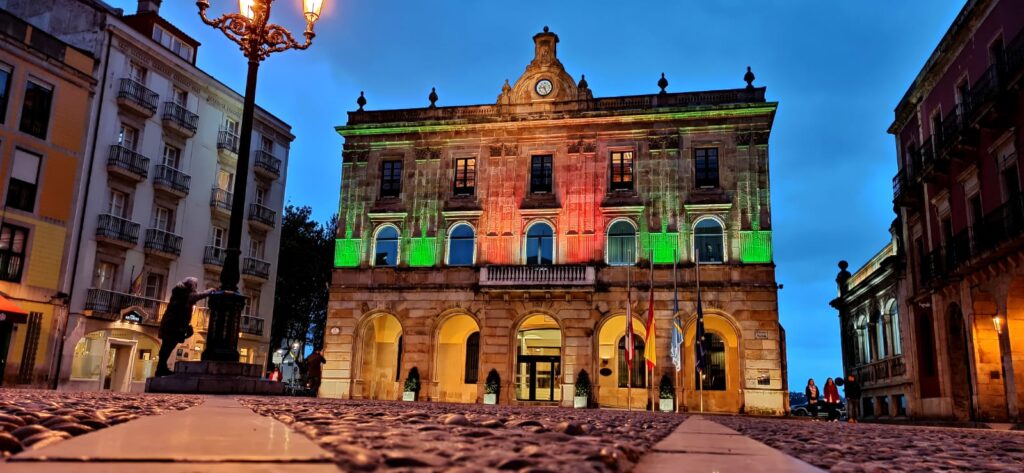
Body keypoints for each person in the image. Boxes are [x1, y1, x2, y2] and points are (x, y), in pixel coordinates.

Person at [156, 278, 213, 377]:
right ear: (191, 286)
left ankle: (161, 368)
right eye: (195, 285)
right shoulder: (184, 295)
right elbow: (197, 296)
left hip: (170, 325)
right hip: (173, 326)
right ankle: (161, 369)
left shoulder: (179, 293)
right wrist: (209, 291)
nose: (196, 288)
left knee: (167, 347)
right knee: (167, 347)